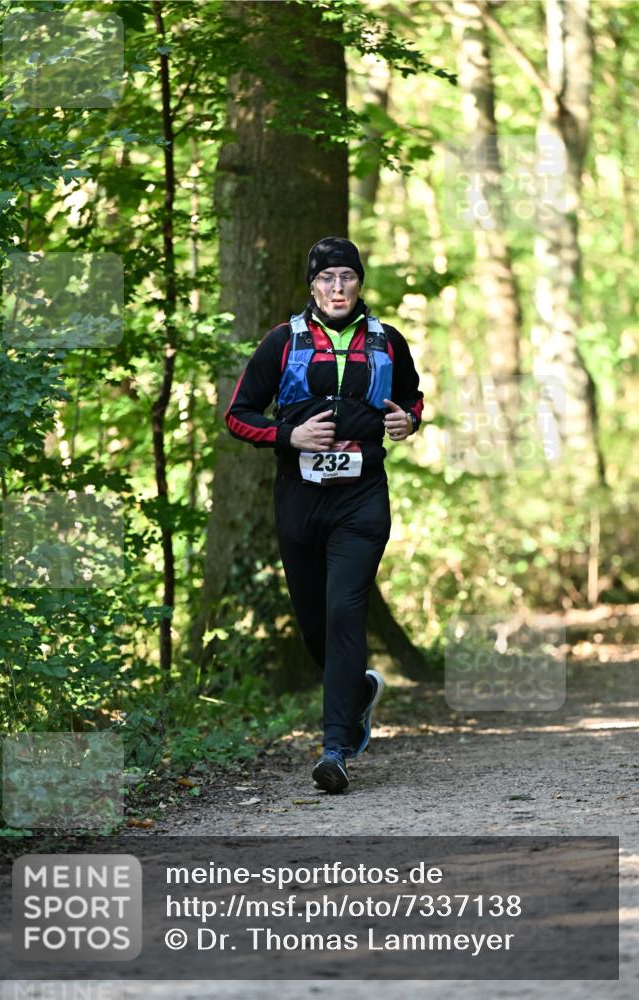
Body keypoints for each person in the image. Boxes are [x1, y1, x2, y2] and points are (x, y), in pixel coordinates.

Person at [225, 237, 424, 793]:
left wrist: (409, 422)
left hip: (362, 500)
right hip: (299, 499)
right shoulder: (281, 343)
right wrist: (289, 434)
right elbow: (237, 416)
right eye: (327, 278)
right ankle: (358, 692)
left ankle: (334, 748)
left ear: (360, 284)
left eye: (348, 277)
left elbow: (413, 398)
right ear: (312, 285)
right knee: (314, 623)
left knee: (344, 612)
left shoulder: (387, 341)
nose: (338, 288)